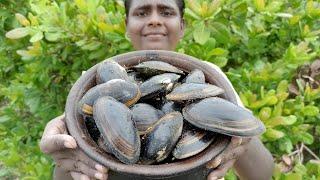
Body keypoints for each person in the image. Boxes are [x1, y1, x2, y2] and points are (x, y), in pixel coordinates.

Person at [40, 0, 274, 179]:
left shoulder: (209, 76)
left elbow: (263, 174)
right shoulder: (96, 82)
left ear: (182, 26)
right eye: (142, 12)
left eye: (166, 11)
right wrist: (68, 155)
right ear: (126, 25)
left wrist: (240, 135)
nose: (154, 20)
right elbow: (69, 169)